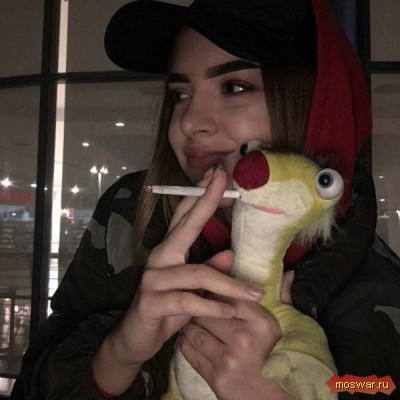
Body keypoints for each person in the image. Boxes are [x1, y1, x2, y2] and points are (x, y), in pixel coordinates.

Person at [11, 0, 400, 399]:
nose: (188, 122)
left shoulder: (378, 286)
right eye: (180, 94)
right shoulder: (128, 211)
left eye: (234, 87)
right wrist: (117, 355)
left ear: (318, 108)